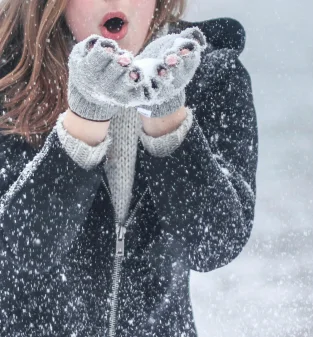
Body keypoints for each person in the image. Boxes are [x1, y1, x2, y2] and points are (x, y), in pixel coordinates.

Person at [0, 0, 258, 336]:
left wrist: (166, 115)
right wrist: (85, 120)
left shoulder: (210, 76)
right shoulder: (10, 79)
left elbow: (215, 244)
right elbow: (16, 254)